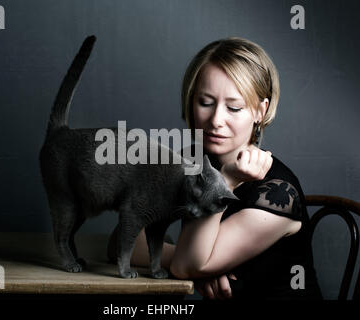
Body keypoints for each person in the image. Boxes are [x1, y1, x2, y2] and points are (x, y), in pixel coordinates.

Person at [107, 37, 323, 300]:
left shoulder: (278, 193)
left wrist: (226, 181)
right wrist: (201, 264)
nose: (216, 120)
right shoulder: (190, 162)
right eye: (205, 102)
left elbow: (186, 266)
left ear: (260, 111)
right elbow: (121, 241)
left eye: (234, 107)